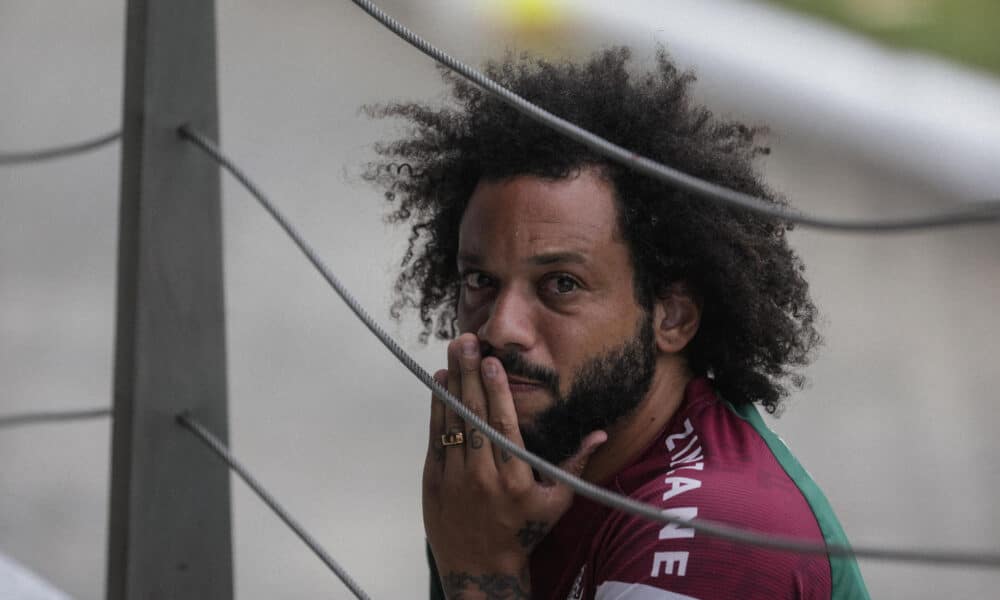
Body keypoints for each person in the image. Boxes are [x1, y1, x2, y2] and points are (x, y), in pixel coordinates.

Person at [365, 47, 869, 600]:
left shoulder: (720, 540)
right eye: (480, 281)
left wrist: (479, 576)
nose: (499, 329)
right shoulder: (506, 490)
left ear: (671, 316)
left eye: (561, 284)